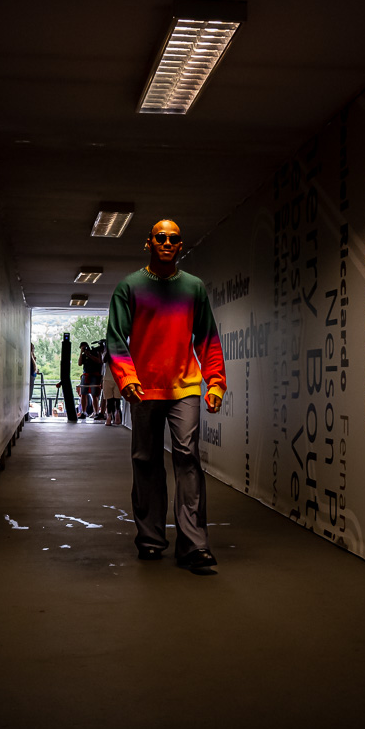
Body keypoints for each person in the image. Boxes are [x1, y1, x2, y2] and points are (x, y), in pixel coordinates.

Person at [105, 219, 226, 572]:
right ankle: (151, 539)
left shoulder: (194, 288)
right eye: (161, 237)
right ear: (149, 242)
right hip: (144, 387)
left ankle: (194, 546)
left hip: (184, 386)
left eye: (173, 238)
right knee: (146, 460)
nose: (167, 242)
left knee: (187, 458)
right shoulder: (130, 287)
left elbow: (207, 338)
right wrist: (126, 378)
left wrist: (215, 381)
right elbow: (115, 338)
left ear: (180, 245)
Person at [77, 341, 102, 419]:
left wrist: (90, 355)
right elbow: (79, 363)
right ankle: (83, 412)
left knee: (95, 395)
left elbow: (99, 361)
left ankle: (96, 412)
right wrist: (81, 352)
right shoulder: (83, 355)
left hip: (94, 375)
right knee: (83, 394)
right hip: (86, 374)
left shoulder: (94, 352)